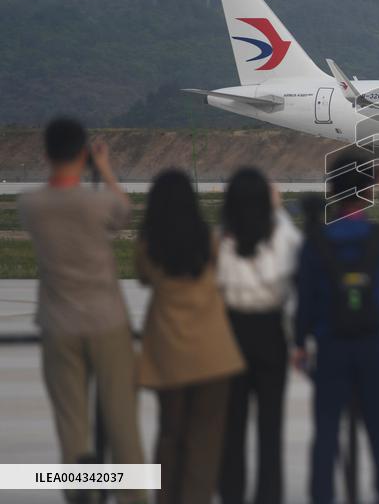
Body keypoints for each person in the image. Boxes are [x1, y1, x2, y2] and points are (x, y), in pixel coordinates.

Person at [18, 118, 146, 504]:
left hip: (59, 324)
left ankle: (80, 491)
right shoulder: (99, 203)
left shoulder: (30, 205)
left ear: (46, 154)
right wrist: (104, 169)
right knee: (121, 418)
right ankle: (133, 495)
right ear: (83, 153)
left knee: (71, 420)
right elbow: (124, 210)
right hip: (107, 321)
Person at [293, 158, 379, 504]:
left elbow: (304, 298)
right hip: (373, 343)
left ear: (331, 190)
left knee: (326, 433)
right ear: (367, 192)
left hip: (331, 343)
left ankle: (322, 496)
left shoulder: (316, 241)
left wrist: (300, 342)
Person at [135, 170, 245, 504]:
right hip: (213, 354)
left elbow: (143, 278)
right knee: (205, 443)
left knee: (169, 435)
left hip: (168, 353)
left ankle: (166, 498)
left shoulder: (149, 246)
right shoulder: (209, 240)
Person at [217, 168, 302, 504]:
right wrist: (278, 210)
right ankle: (269, 495)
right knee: (271, 429)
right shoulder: (281, 237)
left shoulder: (221, 240)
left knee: (232, 429)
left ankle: (232, 495)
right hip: (270, 334)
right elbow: (294, 252)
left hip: (232, 332)